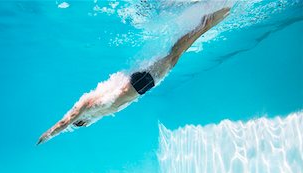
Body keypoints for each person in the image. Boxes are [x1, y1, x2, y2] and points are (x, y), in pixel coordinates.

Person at [37, 7, 230, 145]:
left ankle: (206, 22)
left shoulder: (85, 108)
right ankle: (205, 23)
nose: (85, 123)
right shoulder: (94, 114)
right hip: (139, 83)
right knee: (174, 56)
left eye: (82, 123)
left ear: (81, 120)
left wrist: (48, 135)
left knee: (174, 54)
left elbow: (65, 122)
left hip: (139, 84)